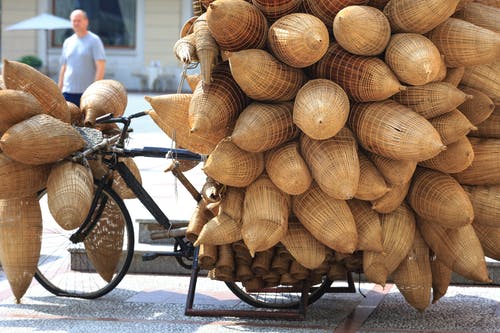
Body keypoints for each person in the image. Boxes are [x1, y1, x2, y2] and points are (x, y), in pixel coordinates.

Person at [58, 9, 106, 107]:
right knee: (67, 121)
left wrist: (95, 90)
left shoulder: (94, 40)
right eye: (73, 21)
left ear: (86, 21)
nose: (76, 23)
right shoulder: (68, 41)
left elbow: (101, 66)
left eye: (79, 20)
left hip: (87, 93)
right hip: (67, 92)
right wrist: (59, 89)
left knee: (85, 122)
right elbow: (64, 66)